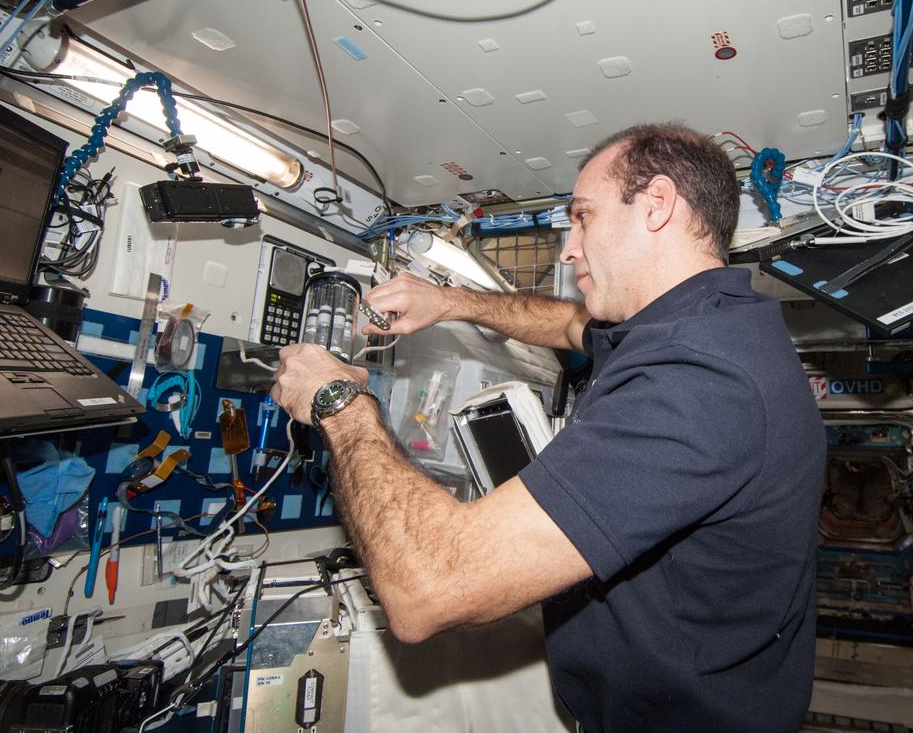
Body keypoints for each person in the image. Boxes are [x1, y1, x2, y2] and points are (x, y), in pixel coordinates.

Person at [270, 122, 826, 733]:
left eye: (584, 217)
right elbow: (567, 326)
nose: (568, 248)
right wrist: (451, 302)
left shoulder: (701, 384)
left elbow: (426, 590)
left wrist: (338, 400)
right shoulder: (697, 323)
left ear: (658, 204)